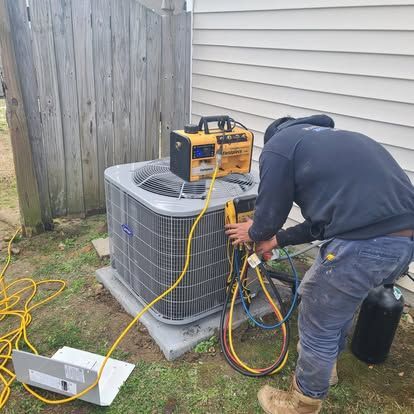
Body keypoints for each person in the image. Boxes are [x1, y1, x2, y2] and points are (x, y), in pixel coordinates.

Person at [225, 115, 414, 414]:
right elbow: (318, 225)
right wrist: (277, 240)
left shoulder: (279, 147)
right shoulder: (334, 141)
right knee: (337, 306)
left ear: (274, 136)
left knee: (318, 310)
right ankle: (328, 370)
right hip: (403, 244)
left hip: (365, 245)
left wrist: (256, 232)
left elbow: (268, 215)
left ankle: (302, 403)